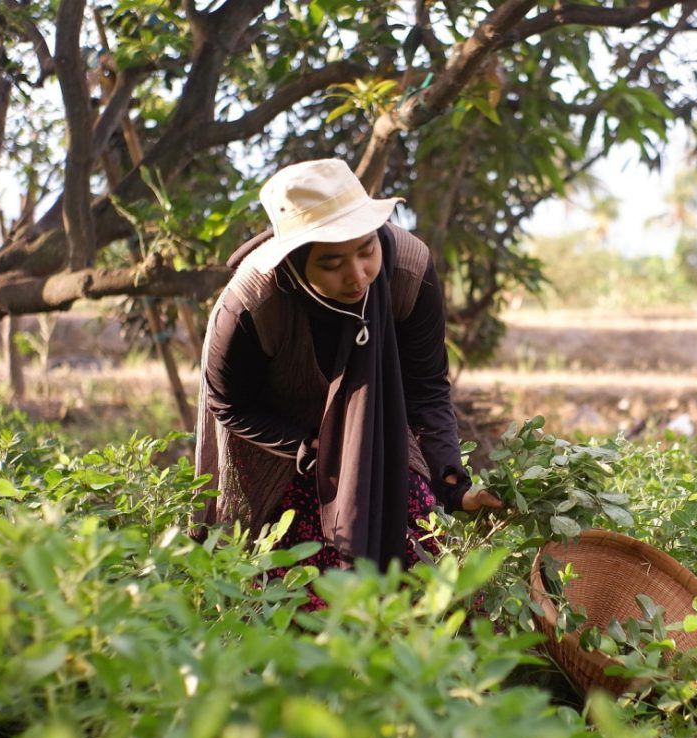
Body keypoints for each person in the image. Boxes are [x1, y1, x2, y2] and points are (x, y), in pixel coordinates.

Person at [194, 159, 501, 602]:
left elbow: (427, 386)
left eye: (366, 250)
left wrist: (456, 485)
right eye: (332, 262)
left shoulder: (408, 270)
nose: (357, 275)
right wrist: (308, 447)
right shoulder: (252, 305)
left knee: (420, 576)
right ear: (297, 264)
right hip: (279, 440)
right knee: (299, 591)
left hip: (375, 421)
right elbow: (229, 404)